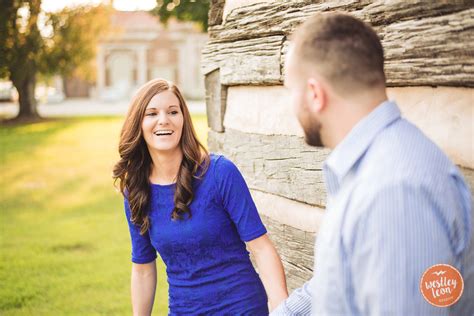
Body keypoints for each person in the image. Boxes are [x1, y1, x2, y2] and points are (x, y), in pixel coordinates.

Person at [271, 12, 473, 315]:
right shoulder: (371, 167)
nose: (290, 104)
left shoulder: (395, 193)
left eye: (290, 90)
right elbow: (341, 279)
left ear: (314, 94)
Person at [113, 78, 288, 315]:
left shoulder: (219, 173)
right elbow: (143, 267)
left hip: (242, 307)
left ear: (183, 120)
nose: (163, 119)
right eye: (152, 113)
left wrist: (282, 309)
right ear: (138, 124)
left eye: (173, 111)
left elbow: (262, 248)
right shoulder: (136, 191)